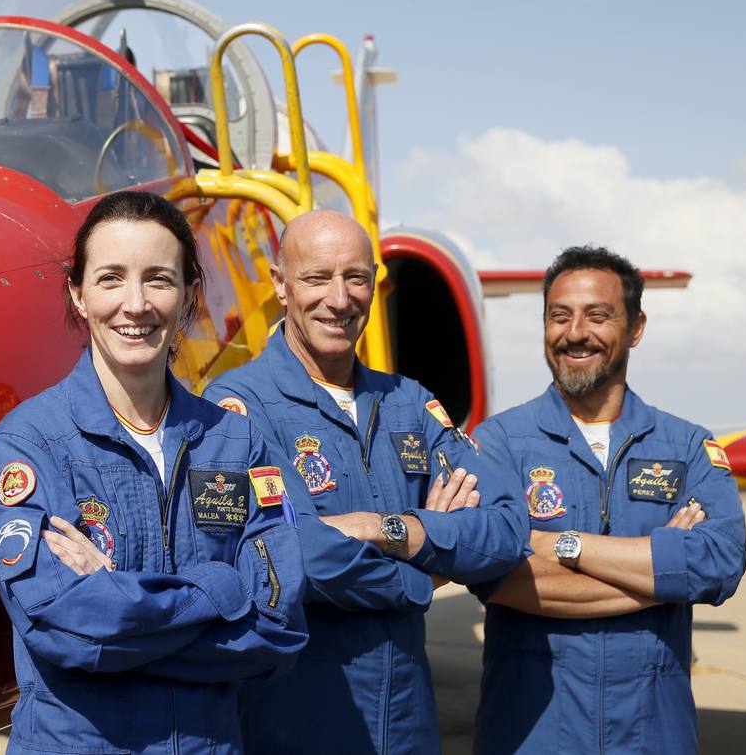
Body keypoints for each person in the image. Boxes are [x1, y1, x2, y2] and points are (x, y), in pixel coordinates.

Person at [0, 191, 311, 755]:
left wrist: (118, 603)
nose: (135, 304)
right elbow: (63, 630)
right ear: (77, 295)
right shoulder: (32, 443)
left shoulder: (236, 442)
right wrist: (222, 587)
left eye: (158, 278)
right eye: (110, 279)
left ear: (187, 297)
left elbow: (278, 629)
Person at [204, 209, 529, 753]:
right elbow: (293, 554)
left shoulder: (411, 403)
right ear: (281, 286)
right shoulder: (235, 408)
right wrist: (424, 577)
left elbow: (507, 528)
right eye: (316, 278)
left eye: (356, 278)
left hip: (407, 726)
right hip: (293, 728)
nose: (339, 298)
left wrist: (387, 528)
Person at [469, 245, 746, 754]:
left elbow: (719, 565)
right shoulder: (499, 444)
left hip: (652, 735)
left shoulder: (686, 447)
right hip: (531, 734)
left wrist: (564, 547)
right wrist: (663, 572)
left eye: (598, 316)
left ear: (636, 328)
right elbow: (496, 574)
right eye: (559, 316)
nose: (575, 333)